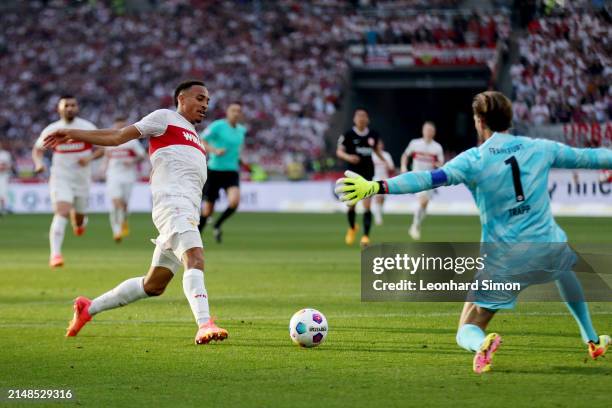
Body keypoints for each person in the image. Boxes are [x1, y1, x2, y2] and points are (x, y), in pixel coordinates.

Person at [336, 91, 611, 373]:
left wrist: (376, 186)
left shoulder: (474, 160)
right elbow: (592, 157)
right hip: (548, 245)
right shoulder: (540, 148)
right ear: (509, 118)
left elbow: (426, 179)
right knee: (564, 267)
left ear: (480, 122)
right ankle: (591, 338)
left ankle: (481, 345)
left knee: (466, 328)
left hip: (505, 261)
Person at [43, 80, 228, 345]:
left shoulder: (196, 137)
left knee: (153, 285)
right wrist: (75, 133)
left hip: (187, 209)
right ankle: (204, 324)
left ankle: (88, 308)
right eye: (200, 98)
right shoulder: (164, 118)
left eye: (207, 101)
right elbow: (118, 137)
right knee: (195, 258)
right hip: (172, 205)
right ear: (181, 99)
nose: (205, 105)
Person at [32, 95, 103, 267]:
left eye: (73, 105)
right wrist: (39, 163)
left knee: (78, 218)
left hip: (82, 179)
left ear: (77, 108)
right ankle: (55, 255)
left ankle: (80, 223)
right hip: (60, 177)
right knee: (62, 211)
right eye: (66, 105)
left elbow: (101, 148)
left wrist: (90, 158)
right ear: (59, 108)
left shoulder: (86, 127)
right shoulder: (52, 129)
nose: (70, 108)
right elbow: (38, 149)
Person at [198, 102, 246, 243]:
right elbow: (202, 140)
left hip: (231, 171)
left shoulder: (241, 130)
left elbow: (236, 149)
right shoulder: (218, 126)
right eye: (233, 110)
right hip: (214, 170)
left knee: (234, 201)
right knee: (207, 211)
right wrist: (215, 150)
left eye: (238, 111)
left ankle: (218, 224)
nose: (236, 113)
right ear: (227, 112)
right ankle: (196, 238)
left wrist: (241, 161)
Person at [336, 108, 384, 247]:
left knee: (367, 206)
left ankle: (365, 236)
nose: (361, 119)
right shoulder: (348, 135)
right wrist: (348, 157)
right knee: (351, 205)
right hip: (352, 175)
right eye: (359, 116)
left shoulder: (373, 135)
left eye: (364, 116)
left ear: (367, 119)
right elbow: (339, 151)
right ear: (354, 119)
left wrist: (386, 161)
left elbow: (377, 150)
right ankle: (352, 228)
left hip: (368, 174)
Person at [105, 117, 147, 242]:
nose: (119, 129)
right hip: (113, 175)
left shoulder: (132, 142)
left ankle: (123, 221)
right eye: (117, 127)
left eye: (122, 127)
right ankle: (116, 231)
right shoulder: (110, 141)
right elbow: (107, 157)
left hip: (128, 176)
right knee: (115, 202)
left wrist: (132, 161)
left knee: (124, 205)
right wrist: (103, 169)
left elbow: (142, 156)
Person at [400, 121, 444, 240]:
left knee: (425, 205)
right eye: (427, 130)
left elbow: (441, 164)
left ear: (434, 133)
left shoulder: (437, 147)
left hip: (430, 179)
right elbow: (405, 155)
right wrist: (404, 167)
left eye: (431, 131)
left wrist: (437, 164)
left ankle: (416, 225)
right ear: (423, 131)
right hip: (417, 177)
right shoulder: (415, 143)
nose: (429, 132)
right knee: (423, 201)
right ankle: (414, 227)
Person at [371, 139, 394, 225]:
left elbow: (391, 167)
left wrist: (388, 166)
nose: (379, 146)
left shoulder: (386, 155)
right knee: (378, 197)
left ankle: (378, 213)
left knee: (383, 199)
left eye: (380, 144)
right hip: (375, 178)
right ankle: (378, 218)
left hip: (385, 178)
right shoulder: (372, 155)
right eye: (377, 144)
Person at [0, 143, 12, 215]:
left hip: (4, 176)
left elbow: (9, 165)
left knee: (3, 193)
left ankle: (2, 209)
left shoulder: (5, 154)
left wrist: (3, 167)